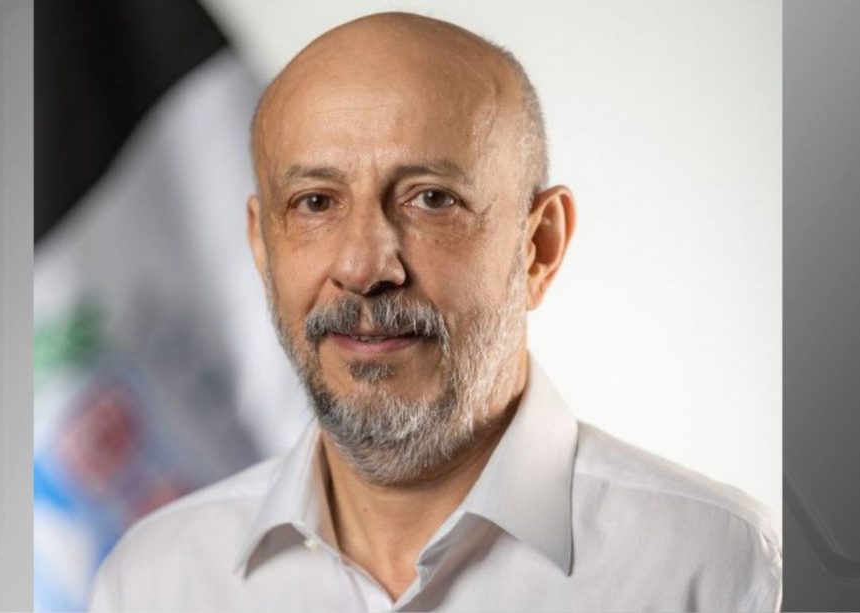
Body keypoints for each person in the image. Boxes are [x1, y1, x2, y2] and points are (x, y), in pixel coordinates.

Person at [89, 12, 781, 612]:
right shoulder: (154, 580)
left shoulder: (714, 569)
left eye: (430, 199)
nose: (364, 268)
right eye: (315, 203)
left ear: (538, 247)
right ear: (261, 248)